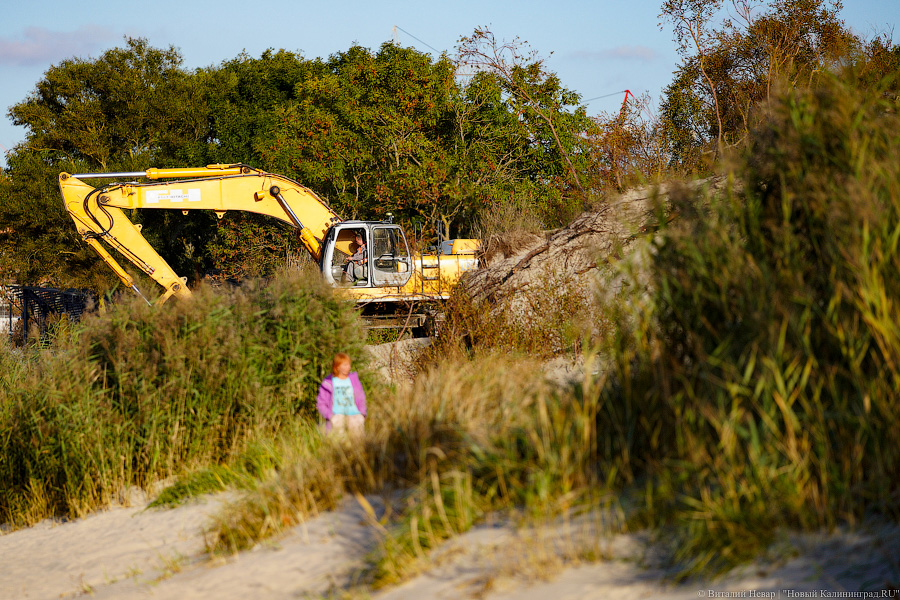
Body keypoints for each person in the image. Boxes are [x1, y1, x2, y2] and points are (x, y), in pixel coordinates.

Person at [316, 352, 366, 436]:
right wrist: (330, 416)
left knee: (359, 444)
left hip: (354, 415)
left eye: (349, 364)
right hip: (337, 416)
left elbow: (361, 397)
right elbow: (321, 403)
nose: (349, 367)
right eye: (345, 365)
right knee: (338, 444)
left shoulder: (354, 379)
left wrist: (362, 414)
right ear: (337, 366)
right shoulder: (328, 382)